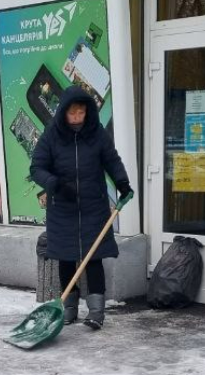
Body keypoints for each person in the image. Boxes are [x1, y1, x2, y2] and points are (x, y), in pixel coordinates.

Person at [30, 86, 132, 329]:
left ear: (87, 112)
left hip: (93, 206)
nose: (77, 118)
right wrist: (55, 184)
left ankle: (96, 312)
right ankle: (69, 309)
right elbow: (36, 168)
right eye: (72, 113)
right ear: (63, 112)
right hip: (62, 208)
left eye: (81, 113)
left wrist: (122, 183)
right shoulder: (52, 135)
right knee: (66, 260)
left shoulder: (97, 133)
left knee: (93, 258)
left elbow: (111, 160)